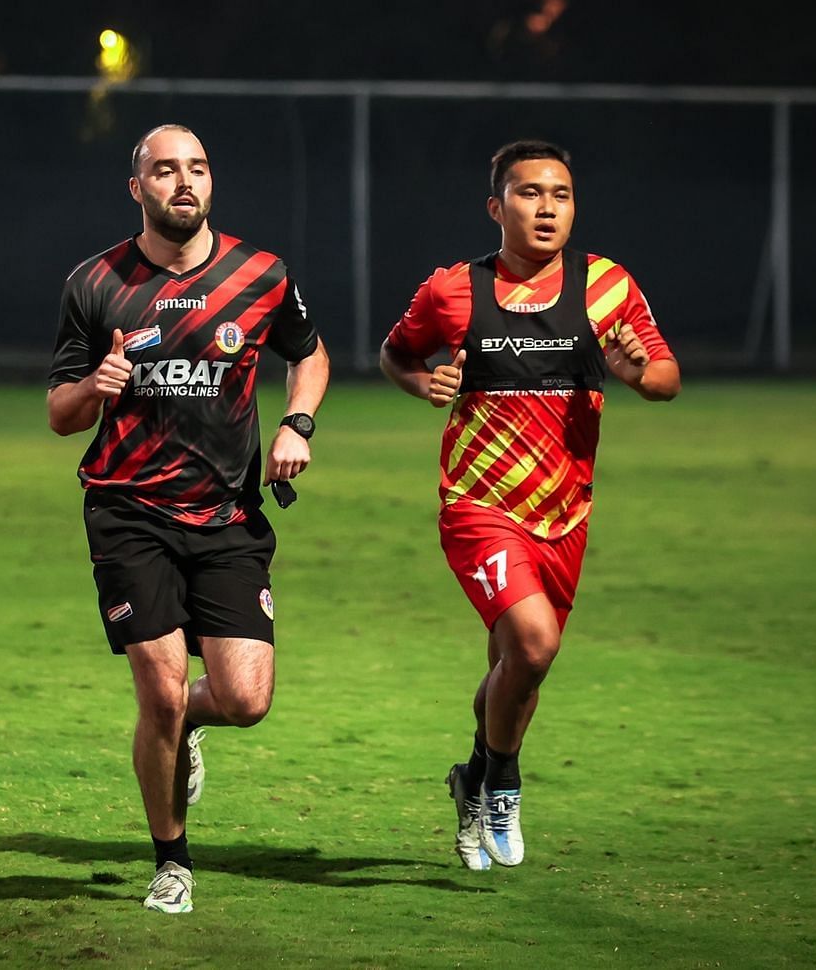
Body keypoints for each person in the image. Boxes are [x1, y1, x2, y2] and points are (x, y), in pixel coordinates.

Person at [47, 124, 330, 914]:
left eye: (197, 168)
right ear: (135, 187)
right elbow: (59, 414)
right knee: (160, 693)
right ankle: (172, 861)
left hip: (227, 516)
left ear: (211, 182)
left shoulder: (262, 274)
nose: (183, 182)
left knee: (244, 699)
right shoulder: (95, 282)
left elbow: (308, 353)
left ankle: (187, 728)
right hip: (127, 510)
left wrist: (296, 424)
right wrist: (96, 388)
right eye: (164, 170)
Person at [378, 139, 679, 873]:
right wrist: (424, 386)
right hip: (478, 505)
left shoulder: (607, 285)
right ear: (496, 206)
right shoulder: (454, 289)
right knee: (535, 644)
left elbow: (666, 373)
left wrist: (640, 376)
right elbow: (397, 351)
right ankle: (504, 780)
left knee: (519, 666)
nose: (547, 207)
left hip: (565, 515)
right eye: (529, 193)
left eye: (561, 194)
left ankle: (472, 778)